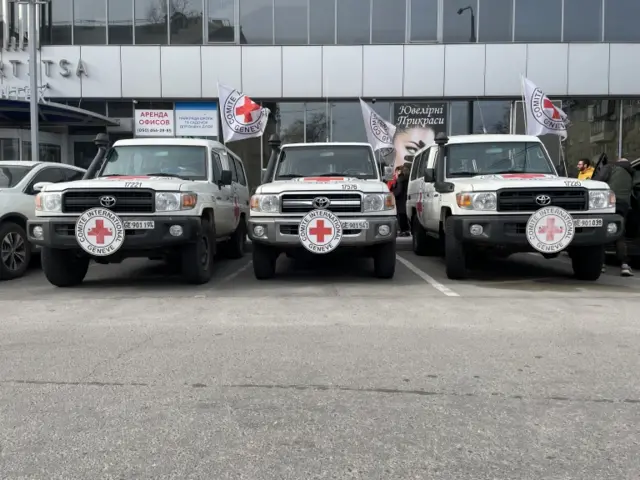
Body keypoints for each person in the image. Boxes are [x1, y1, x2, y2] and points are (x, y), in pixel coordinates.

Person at [594, 157, 634, 276]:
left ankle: (601, 264)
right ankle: (625, 265)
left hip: (609, 202)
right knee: (620, 234)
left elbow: (598, 181)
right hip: (624, 205)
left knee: (603, 231)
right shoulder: (631, 173)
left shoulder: (611, 167)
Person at [392, 163, 411, 236]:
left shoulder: (400, 179)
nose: (395, 173)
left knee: (401, 216)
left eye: (396, 172)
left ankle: (403, 231)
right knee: (405, 215)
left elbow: (399, 191)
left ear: (399, 172)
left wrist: (393, 193)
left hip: (401, 200)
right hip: (406, 199)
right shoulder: (407, 179)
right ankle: (406, 230)